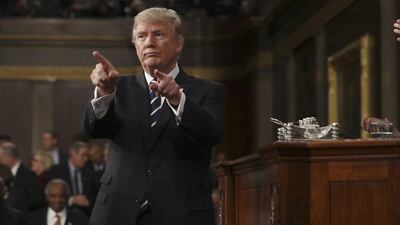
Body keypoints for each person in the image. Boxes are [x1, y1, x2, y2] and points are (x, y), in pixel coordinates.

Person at [83, 7, 225, 225]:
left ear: (179, 44)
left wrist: (178, 99)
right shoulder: (117, 87)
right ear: (136, 45)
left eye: (158, 34)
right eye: (141, 36)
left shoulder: (207, 90)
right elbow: (94, 129)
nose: (149, 42)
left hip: (181, 212)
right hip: (117, 212)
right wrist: (104, 93)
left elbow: (212, 134)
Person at [47, 141, 96, 215]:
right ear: (73, 153)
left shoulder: (89, 172)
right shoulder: (56, 170)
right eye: (83, 155)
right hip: (62, 212)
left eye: (87, 156)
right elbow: (50, 195)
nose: (86, 159)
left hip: (84, 215)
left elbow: (94, 196)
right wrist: (72, 200)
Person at [0, 142, 45, 216]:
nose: (0, 162)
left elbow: (36, 201)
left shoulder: (29, 175)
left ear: (9, 157)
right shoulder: (2, 174)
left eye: (0, 159)